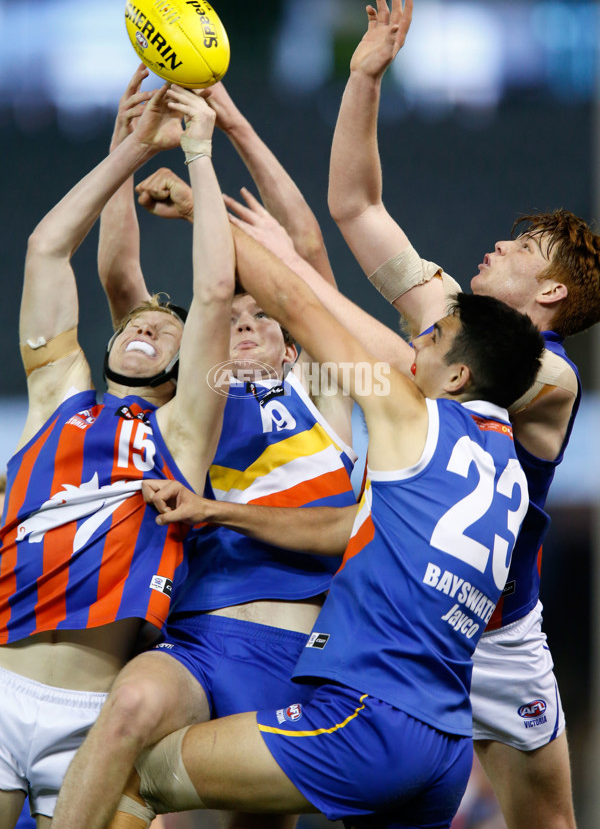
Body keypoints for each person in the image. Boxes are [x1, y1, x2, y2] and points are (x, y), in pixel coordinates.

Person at [108, 223, 545, 829]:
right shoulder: (512, 473)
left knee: (133, 774)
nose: (414, 344)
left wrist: (200, 204)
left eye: (434, 337)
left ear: (458, 376)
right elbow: (353, 524)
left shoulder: (404, 413)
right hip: (446, 737)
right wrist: (216, 511)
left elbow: (300, 302)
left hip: (367, 714)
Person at [51, 73, 358, 829]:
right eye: (234, 315)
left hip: (302, 655)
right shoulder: (191, 396)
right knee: (127, 713)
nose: (246, 323)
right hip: (200, 635)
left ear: (293, 343)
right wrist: (126, 152)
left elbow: (310, 254)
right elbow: (125, 284)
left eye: (264, 316)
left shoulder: (322, 389)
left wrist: (236, 128)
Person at [327, 0, 600, 829]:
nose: (497, 245)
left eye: (518, 248)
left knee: (546, 823)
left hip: (500, 630)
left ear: (550, 289)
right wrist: (365, 77)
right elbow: (357, 208)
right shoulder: (449, 323)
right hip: (404, 604)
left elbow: (424, 370)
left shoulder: (551, 380)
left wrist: (324, 326)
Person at [0, 83, 235, 829]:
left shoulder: (185, 430)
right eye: (135, 319)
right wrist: (131, 148)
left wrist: (198, 153)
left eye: (167, 328)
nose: (148, 327)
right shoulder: (58, 396)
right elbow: (46, 247)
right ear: (106, 344)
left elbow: (217, 289)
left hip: (97, 717)